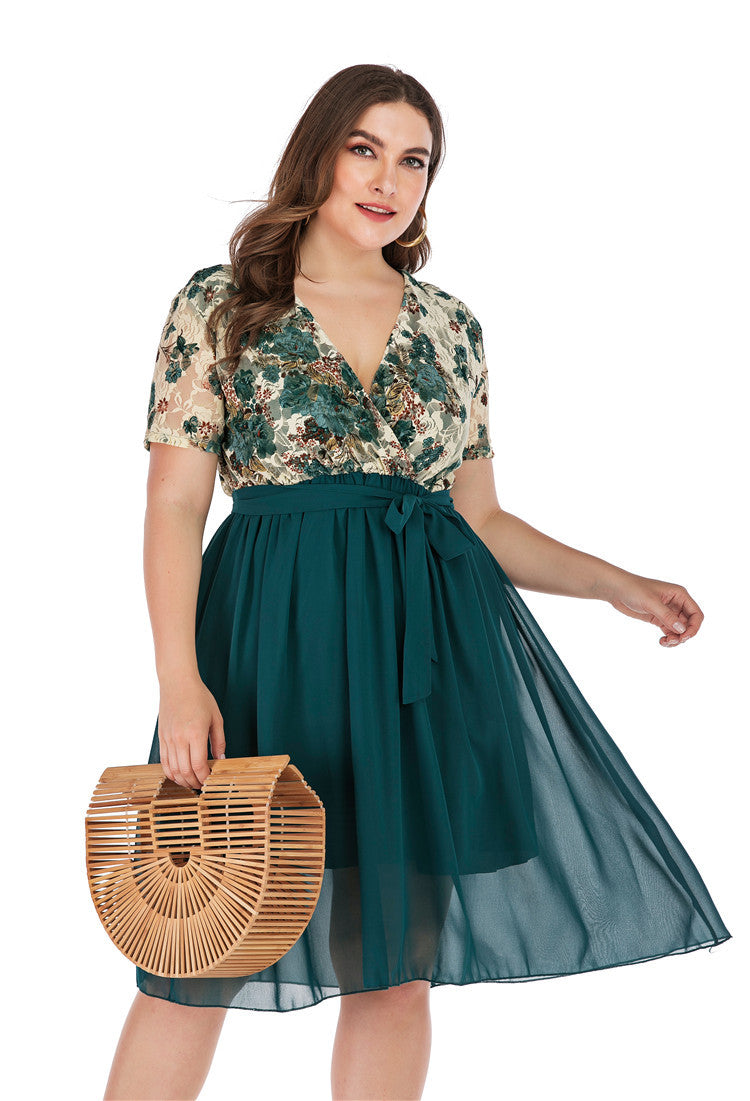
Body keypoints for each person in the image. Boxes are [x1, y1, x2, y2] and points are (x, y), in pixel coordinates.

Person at [103, 64, 731, 1101]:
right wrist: (180, 677)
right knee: (196, 949)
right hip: (274, 646)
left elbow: (480, 519)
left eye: (414, 160)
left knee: (396, 967)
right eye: (364, 149)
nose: (388, 179)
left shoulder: (451, 325)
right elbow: (174, 503)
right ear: (318, 155)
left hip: (423, 661)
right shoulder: (223, 304)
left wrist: (617, 584)